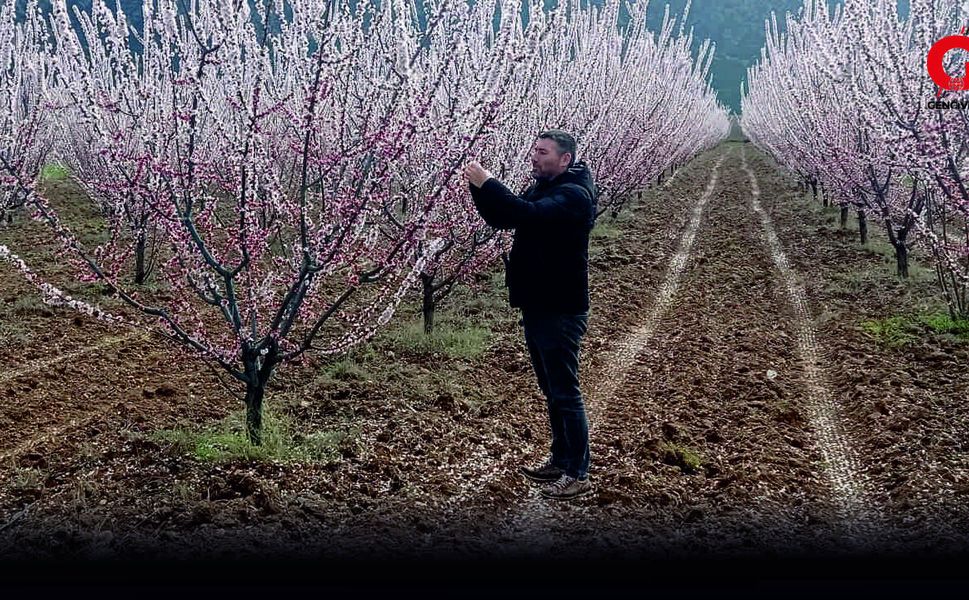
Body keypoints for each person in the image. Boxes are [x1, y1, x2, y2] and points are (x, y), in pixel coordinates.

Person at [463, 129, 596, 501]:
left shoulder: (572, 196)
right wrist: (479, 188)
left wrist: (490, 183)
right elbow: (504, 218)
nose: (533, 157)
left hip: (560, 306)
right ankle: (560, 457)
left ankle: (577, 472)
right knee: (551, 389)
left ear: (564, 159)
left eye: (542, 152)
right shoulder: (549, 186)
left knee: (566, 392)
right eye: (534, 150)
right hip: (539, 302)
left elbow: (527, 214)